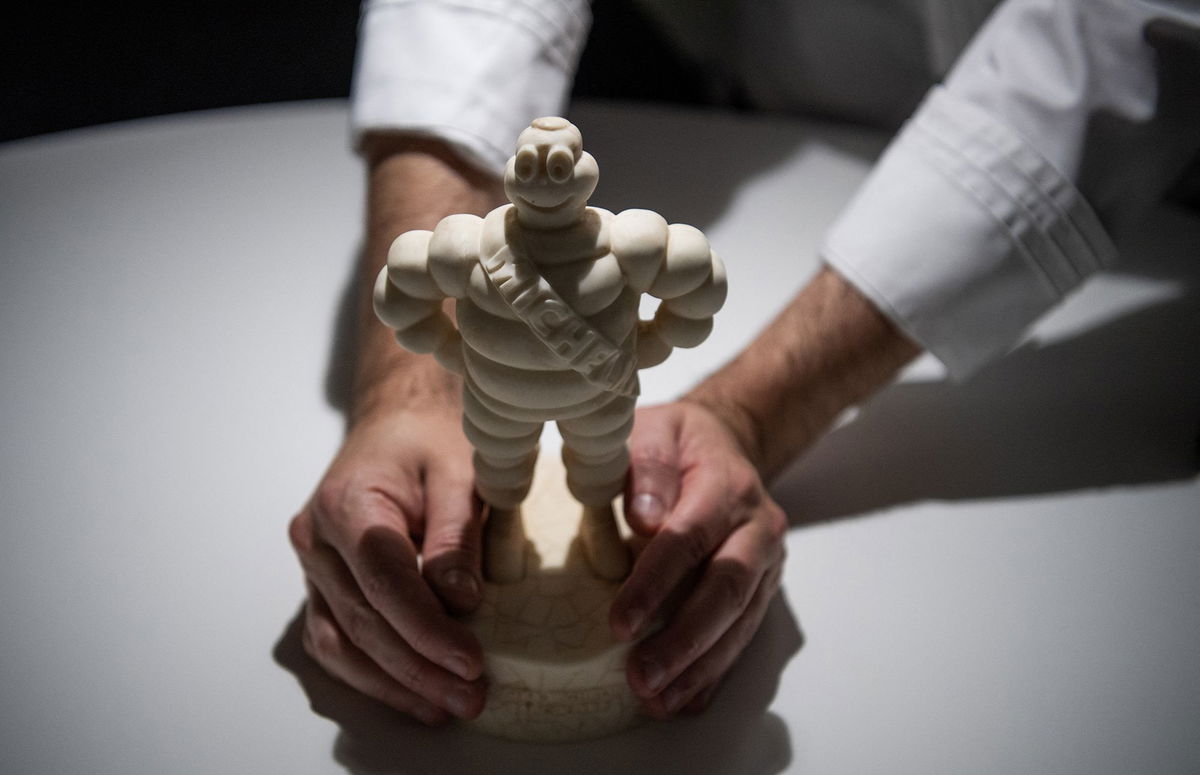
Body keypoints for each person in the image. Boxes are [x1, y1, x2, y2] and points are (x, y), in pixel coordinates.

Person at [288, 0, 1200, 725]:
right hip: (791, 95)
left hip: (1142, 205)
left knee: (601, 472)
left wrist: (738, 403)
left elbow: (694, 289)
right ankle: (495, 534)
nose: (552, 172)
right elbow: (409, 284)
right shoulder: (477, 251)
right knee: (504, 468)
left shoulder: (627, 244)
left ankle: (601, 527)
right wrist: (417, 372)